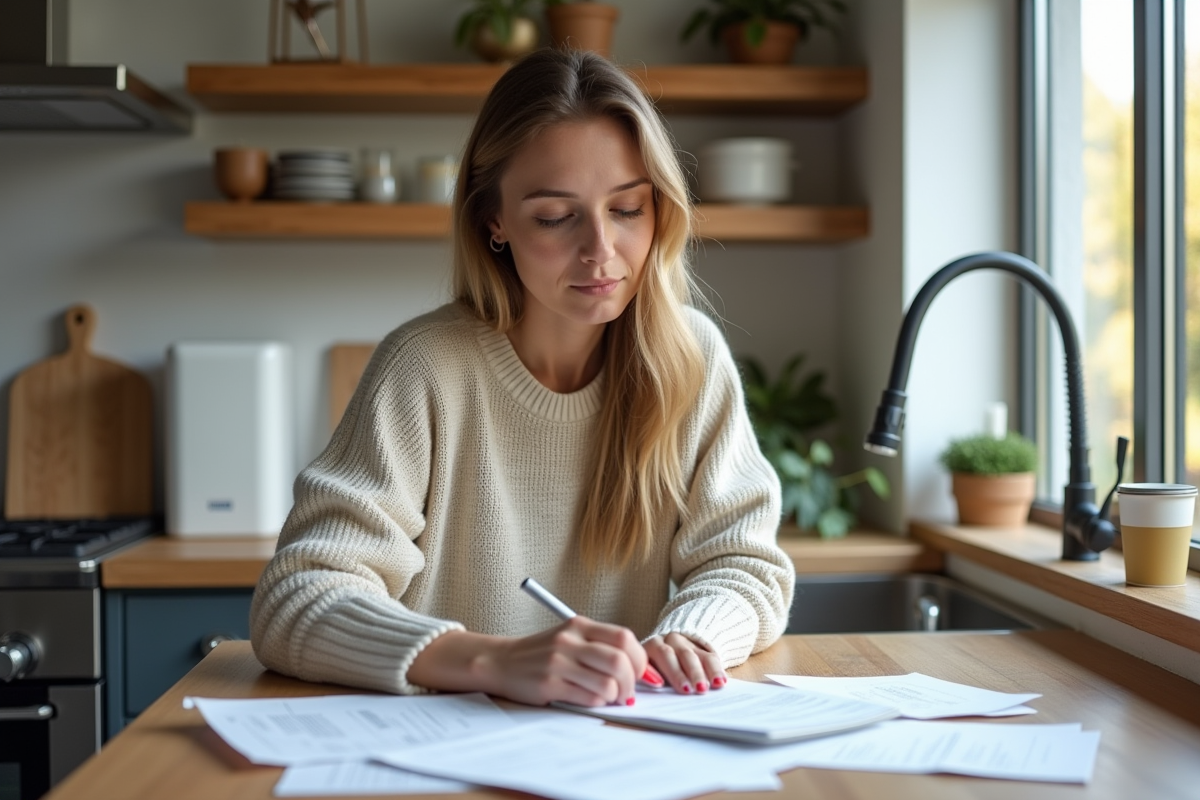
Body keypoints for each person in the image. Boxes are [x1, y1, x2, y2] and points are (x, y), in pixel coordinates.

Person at [250, 48, 795, 709]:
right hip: (438, 749)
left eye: (627, 208)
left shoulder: (691, 359)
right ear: (495, 223)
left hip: (613, 749)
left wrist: (691, 634)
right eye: (555, 216)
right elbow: (296, 598)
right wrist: (493, 661)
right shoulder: (424, 367)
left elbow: (746, 565)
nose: (601, 248)